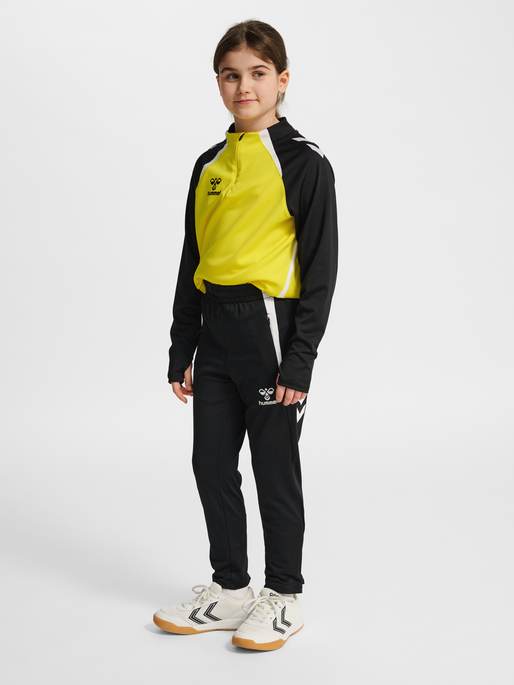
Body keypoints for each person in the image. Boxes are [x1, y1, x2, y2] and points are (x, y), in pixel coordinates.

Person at [153, 19, 338, 651]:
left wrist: (300, 362)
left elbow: (321, 270)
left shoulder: (304, 161)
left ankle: (283, 594)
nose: (244, 87)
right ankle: (230, 590)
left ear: (282, 81)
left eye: (258, 73)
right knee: (210, 464)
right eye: (231, 75)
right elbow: (193, 259)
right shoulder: (208, 164)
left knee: (273, 467)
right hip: (215, 332)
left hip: (269, 331)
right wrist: (182, 347)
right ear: (218, 83)